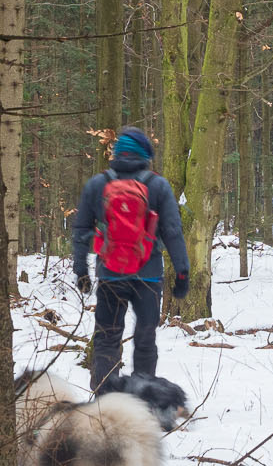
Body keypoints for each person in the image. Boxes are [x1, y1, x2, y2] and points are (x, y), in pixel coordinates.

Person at [71, 126, 189, 392]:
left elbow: (81, 230)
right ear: (145, 153)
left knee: (107, 339)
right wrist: (182, 271)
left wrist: (81, 269)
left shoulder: (98, 184)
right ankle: (142, 403)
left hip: (110, 274)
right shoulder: (157, 185)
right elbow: (172, 231)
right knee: (145, 339)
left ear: (116, 153)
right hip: (148, 275)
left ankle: (104, 402)